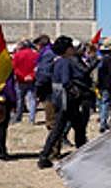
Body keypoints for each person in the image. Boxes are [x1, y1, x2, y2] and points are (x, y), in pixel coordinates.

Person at [37, 36, 93, 168]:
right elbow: (66, 81)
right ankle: (46, 156)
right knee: (64, 129)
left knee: (69, 128)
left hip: (60, 100)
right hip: (68, 101)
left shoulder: (57, 61)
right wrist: (75, 91)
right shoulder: (66, 62)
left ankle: (46, 156)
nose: (73, 49)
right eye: (71, 47)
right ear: (67, 49)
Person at [11, 39, 38, 124]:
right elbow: (38, 68)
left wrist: (22, 76)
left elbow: (15, 68)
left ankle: (18, 117)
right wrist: (31, 76)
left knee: (20, 100)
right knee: (32, 100)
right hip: (32, 80)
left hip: (20, 80)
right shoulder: (35, 54)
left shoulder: (17, 55)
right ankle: (31, 119)